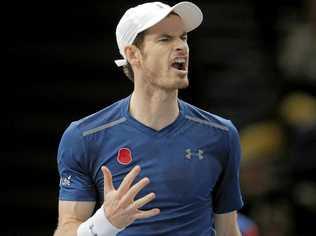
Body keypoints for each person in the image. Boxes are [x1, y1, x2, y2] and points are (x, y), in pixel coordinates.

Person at [54, 2, 243, 236]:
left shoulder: (221, 134)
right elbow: (65, 229)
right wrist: (105, 223)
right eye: (165, 39)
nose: (182, 47)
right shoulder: (84, 136)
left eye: (183, 37)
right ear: (133, 54)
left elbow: (229, 231)